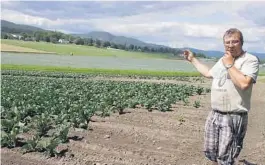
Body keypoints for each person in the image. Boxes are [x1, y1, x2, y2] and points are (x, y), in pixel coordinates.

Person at [183, 28, 260, 165]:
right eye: (227, 42)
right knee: (211, 153)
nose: (230, 45)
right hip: (215, 114)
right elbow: (208, 73)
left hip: (233, 116)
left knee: (226, 157)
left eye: (234, 41)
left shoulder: (250, 60)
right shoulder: (223, 60)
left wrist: (229, 64)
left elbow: (244, 84)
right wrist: (192, 60)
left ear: (241, 43)